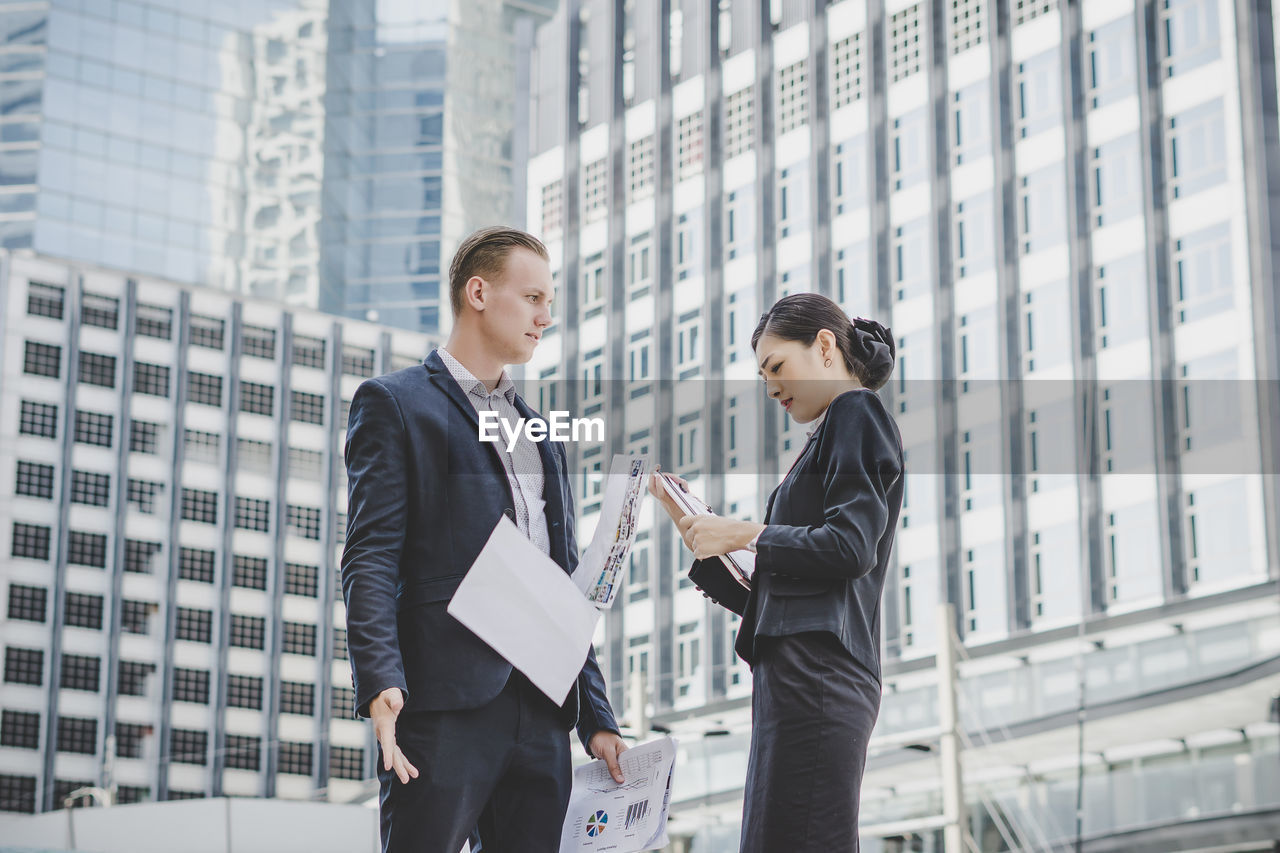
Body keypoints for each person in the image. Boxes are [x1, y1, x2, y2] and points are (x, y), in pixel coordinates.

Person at [341, 226, 627, 853]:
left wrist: (596, 715)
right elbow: (370, 553)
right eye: (532, 299)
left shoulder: (541, 433)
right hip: (446, 701)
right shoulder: (394, 403)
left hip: (543, 708)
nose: (545, 317)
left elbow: (566, 582)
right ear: (477, 291)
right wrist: (379, 679)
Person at [649, 293, 904, 853]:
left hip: (819, 674)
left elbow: (850, 546)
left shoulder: (855, 412)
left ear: (825, 346)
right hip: (799, 674)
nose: (771, 388)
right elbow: (794, 585)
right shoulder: (836, 430)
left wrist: (741, 532)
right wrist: (698, 527)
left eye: (777, 368)